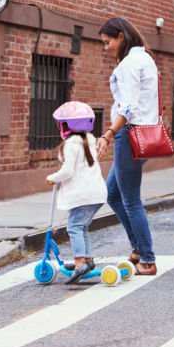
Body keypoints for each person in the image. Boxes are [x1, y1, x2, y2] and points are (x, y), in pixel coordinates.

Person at [96, 17, 159, 276]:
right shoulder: (144, 58)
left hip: (129, 135)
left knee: (130, 199)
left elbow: (129, 106)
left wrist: (108, 134)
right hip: (142, 134)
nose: (106, 47)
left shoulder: (130, 64)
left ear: (121, 36)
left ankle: (147, 258)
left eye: (107, 41)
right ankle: (137, 249)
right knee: (112, 195)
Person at [46, 101, 107, 284]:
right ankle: (87, 260)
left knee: (74, 227)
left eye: (62, 124)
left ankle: (80, 262)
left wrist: (52, 177)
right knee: (82, 226)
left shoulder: (71, 143)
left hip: (84, 195)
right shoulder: (89, 139)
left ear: (69, 125)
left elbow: (68, 171)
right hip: (95, 193)